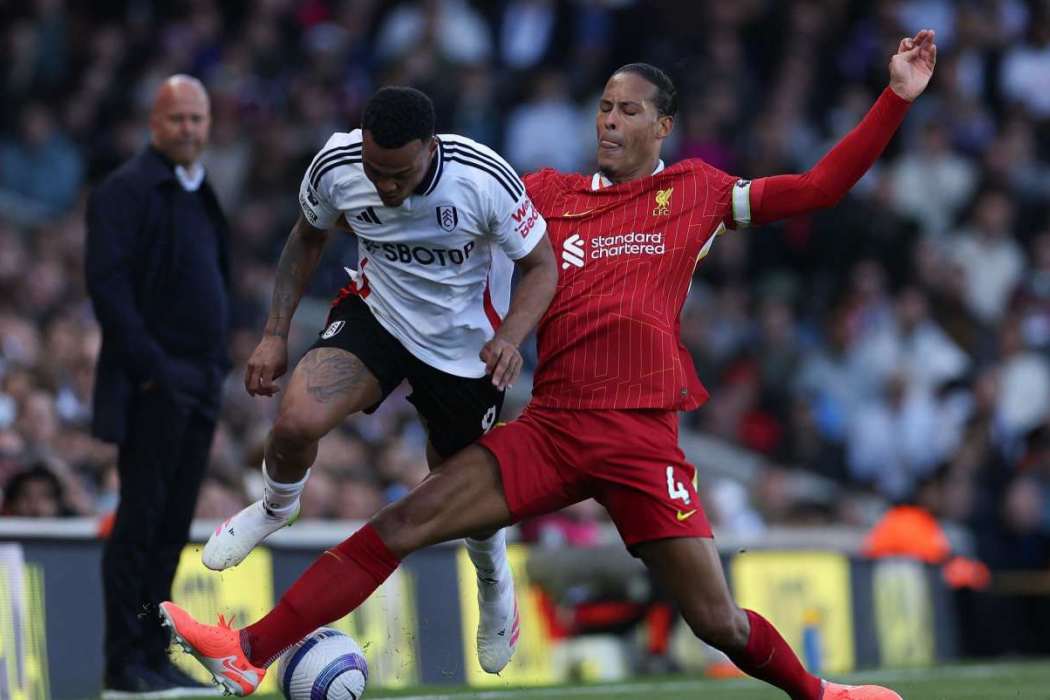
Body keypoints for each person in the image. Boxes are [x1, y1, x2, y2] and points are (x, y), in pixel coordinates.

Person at [160, 31, 937, 700]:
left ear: (664, 125)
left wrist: (895, 98)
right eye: (604, 106)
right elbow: (446, 211)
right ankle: (249, 652)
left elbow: (819, 188)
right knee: (400, 523)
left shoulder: (695, 193)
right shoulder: (545, 195)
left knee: (717, 622)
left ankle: (822, 693)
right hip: (554, 428)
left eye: (628, 109)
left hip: (640, 439)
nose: (610, 120)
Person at [201, 87, 556, 673]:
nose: (386, 186)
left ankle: (493, 575)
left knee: (457, 484)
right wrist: (274, 333)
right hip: (379, 315)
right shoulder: (337, 165)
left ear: (430, 147)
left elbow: (542, 266)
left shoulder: (482, 178)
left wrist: (511, 338)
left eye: (399, 174)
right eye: (376, 171)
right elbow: (307, 237)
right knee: (295, 422)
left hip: (465, 348)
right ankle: (275, 506)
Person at [86, 75, 230, 697]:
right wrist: (154, 370)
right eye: (178, 118)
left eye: (197, 118)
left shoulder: (201, 191)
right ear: (154, 123)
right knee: (139, 525)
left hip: (200, 382)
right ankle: (123, 662)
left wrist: (214, 366)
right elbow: (107, 288)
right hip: (153, 384)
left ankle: (152, 651)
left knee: (172, 527)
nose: (189, 129)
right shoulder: (124, 191)